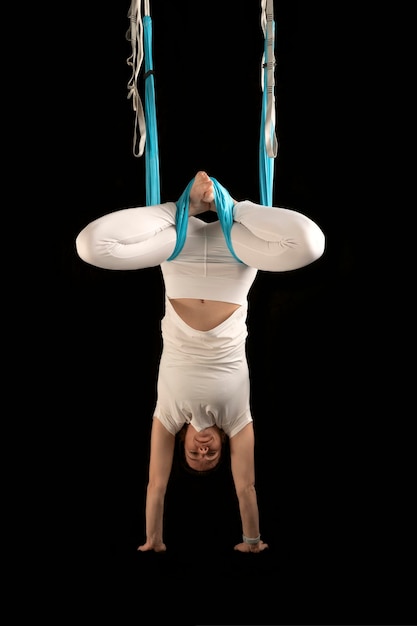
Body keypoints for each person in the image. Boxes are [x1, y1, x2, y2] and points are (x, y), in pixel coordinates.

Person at [75, 170, 326, 554]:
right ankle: (234, 208)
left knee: (89, 246)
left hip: (179, 251)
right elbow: (246, 487)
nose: (203, 450)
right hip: (236, 254)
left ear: (183, 443)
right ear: (225, 446)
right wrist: (252, 541)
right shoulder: (238, 421)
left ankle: (182, 208)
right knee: (311, 244)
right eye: (212, 455)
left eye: (194, 453)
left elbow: (156, 485)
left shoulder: (168, 416)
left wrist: (154, 539)